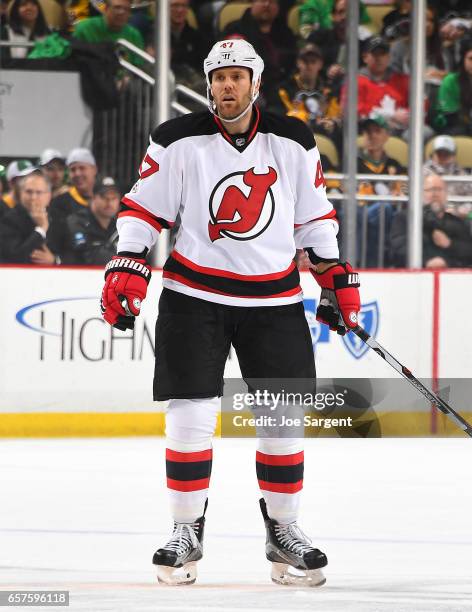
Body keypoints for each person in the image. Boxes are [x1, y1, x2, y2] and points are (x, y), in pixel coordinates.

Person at [100, 39, 361, 586]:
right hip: (195, 298)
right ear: (209, 84)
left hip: (275, 300)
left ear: (256, 82)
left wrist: (335, 276)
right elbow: (143, 208)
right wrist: (128, 260)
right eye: (219, 77)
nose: (227, 85)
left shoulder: (293, 139)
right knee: (191, 418)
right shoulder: (176, 140)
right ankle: (185, 532)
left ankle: (284, 531)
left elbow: (313, 221)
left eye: (238, 76)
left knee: (282, 423)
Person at [390, 173, 472, 268]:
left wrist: (450, 244)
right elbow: (398, 249)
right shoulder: (405, 218)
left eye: (439, 189)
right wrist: (426, 262)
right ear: (420, 193)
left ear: (446, 194)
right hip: (413, 276)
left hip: (450, 277)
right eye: (430, 189)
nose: (435, 194)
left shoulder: (457, 222)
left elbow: (469, 252)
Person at [222, 0, 297, 102]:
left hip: (284, 91)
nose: (267, 4)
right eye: (262, 0)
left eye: (272, 2)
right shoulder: (235, 29)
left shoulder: (286, 32)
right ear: (252, 3)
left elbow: (293, 63)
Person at [356, 115, 406, 267]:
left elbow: (403, 193)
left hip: (387, 216)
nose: (371, 136)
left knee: (387, 209)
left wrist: (398, 194)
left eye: (376, 131)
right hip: (359, 212)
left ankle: (383, 261)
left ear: (386, 136)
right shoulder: (353, 162)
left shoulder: (395, 165)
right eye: (367, 132)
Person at [274, 43, 342, 147]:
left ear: (320, 64)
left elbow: (334, 115)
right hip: (294, 140)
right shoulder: (286, 88)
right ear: (298, 63)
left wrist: (331, 123)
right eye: (305, 61)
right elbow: (282, 117)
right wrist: (310, 121)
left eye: (313, 62)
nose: (309, 66)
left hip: (323, 138)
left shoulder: (328, 91)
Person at [48, 147, 97, 261]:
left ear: (94, 169)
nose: (77, 173)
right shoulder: (59, 203)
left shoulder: (107, 197)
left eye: (82, 168)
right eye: (73, 169)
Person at [0, 172, 56, 264]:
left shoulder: (59, 217)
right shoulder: (8, 220)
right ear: (21, 194)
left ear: (49, 195)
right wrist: (41, 229)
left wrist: (55, 260)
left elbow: (70, 253)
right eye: (29, 192)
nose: (33, 197)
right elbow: (14, 257)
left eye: (39, 192)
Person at [62, 176, 120, 264]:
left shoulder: (121, 226)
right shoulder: (77, 221)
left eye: (114, 198)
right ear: (93, 197)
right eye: (104, 197)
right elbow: (86, 255)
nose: (109, 202)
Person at [72, 0, 145, 66]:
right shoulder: (84, 28)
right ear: (105, 9)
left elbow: (139, 65)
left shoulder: (134, 35)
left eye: (126, 9)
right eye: (117, 8)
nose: (121, 12)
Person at [435, 37, 472, 136]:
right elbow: (449, 115)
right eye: (471, 59)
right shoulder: (450, 81)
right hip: (455, 126)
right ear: (462, 59)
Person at [423, 135, 472, 201]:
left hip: (455, 209)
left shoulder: (461, 172)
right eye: (439, 153)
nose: (443, 156)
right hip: (430, 209)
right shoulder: (422, 172)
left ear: (454, 155)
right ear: (433, 154)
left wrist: (459, 209)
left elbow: (469, 197)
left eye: (446, 153)